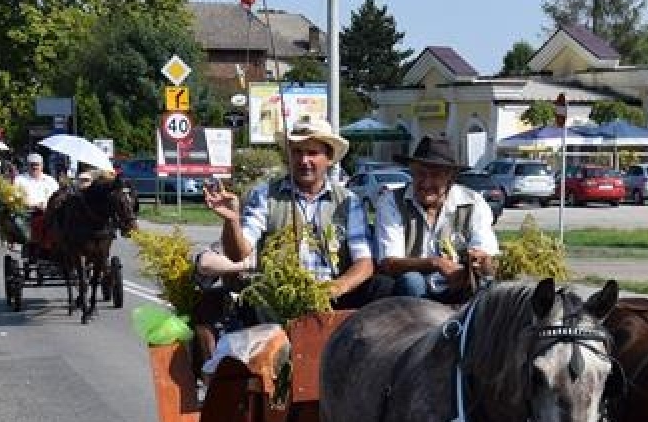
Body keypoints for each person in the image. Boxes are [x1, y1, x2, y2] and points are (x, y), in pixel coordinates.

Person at [201, 115, 375, 309]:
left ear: (329, 159)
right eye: (297, 152)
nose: (303, 160)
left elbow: (364, 264)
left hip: (332, 301)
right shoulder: (264, 194)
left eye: (312, 153)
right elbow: (239, 254)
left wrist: (332, 289)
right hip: (276, 301)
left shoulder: (349, 201)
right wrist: (232, 221)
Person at [373, 136, 498, 305]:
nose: (426, 182)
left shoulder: (473, 203)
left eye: (435, 175)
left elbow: (486, 252)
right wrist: (435, 263)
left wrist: (478, 260)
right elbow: (389, 262)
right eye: (420, 174)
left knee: (486, 283)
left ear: (450, 178)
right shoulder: (391, 201)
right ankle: (421, 330)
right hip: (415, 290)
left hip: (460, 284)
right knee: (412, 281)